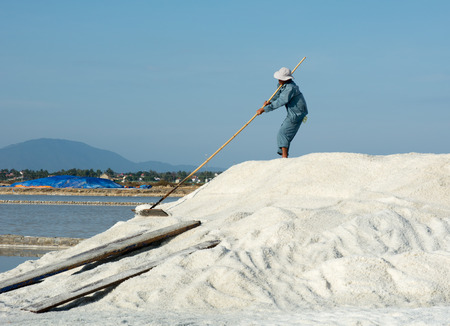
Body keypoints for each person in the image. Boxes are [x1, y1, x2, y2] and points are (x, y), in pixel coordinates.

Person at [256, 67, 308, 158]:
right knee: (284, 132)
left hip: (297, 113)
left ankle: (284, 157)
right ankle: (284, 155)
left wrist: (264, 109)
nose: (278, 80)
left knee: (283, 132)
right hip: (293, 112)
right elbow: (276, 96)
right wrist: (269, 101)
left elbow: (281, 101)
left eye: (280, 78)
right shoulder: (282, 85)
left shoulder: (290, 88)